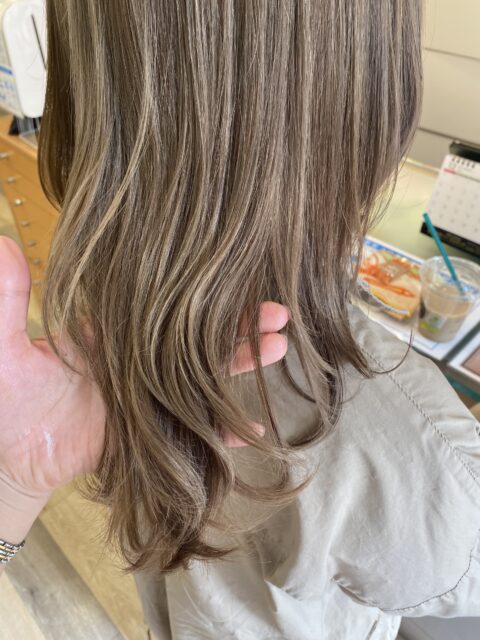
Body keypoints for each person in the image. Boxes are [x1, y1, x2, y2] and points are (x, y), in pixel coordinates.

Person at [1, 2, 480, 640]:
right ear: (372, 96)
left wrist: (11, 483)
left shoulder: (117, 314)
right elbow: (457, 568)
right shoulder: (390, 422)